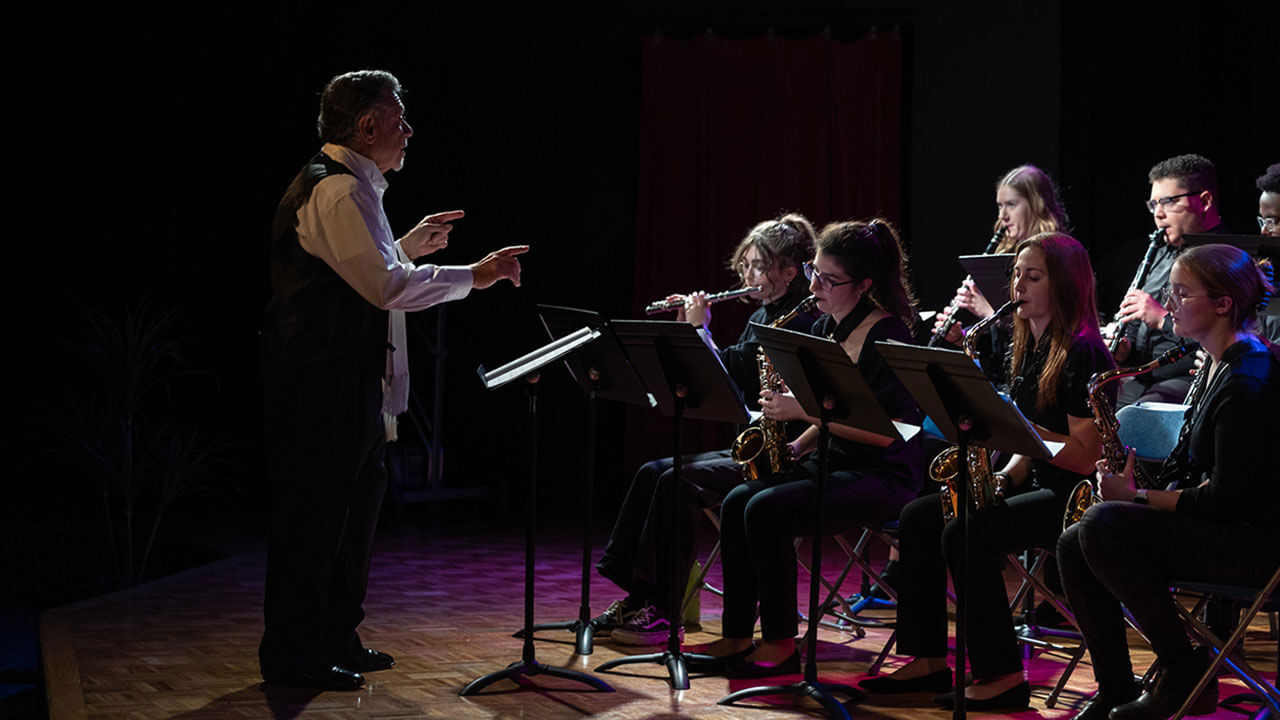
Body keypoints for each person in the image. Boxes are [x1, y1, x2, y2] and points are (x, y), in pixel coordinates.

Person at [259, 70, 527, 691]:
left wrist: (405, 246)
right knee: (315, 520)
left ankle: (335, 637)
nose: (408, 130)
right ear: (366, 126)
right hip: (319, 379)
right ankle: (293, 654)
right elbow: (384, 286)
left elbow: (365, 270)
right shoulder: (336, 190)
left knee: (352, 519)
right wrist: (475, 275)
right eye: (398, 118)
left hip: (349, 379)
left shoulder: (356, 188)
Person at [861, 233, 1113, 710]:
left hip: (1074, 498)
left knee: (967, 533)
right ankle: (927, 658)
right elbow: (1028, 451)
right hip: (1036, 484)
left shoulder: (1083, 354)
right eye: (1016, 274)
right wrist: (1003, 477)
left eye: (1033, 276)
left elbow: (1082, 456)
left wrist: (1013, 426)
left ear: (1064, 285)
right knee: (919, 518)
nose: (1018, 285)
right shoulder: (1028, 346)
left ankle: (1002, 675)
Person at [691, 219, 925, 677]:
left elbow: (885, 434)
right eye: (814, 272)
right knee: (738, 500)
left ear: (863, 286)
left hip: (883, 474)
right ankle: (737, 634)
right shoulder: (823, 325)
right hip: (834, 461)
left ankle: (780, 643)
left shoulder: (887, 335)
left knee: (766, 510)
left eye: (828, 279)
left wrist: (803, 412)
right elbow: (834, 408)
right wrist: (798, 444)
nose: (814, 285)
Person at [1058, 243, 1280, 720]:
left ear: (1223, 304)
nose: (1169, 303)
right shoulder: (1215, 363)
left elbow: (1225, 500)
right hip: (1225, 530)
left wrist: (1136, 497)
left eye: (1181, 293)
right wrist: (1134, 484)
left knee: (1101, 525)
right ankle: (1116, 687)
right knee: (1075, 539)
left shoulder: (1247, 381)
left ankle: (1183, 672)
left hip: (1256, 546)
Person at [595, 214, 818, 645]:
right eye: (745, 265)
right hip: (755, 449)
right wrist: (693, 331)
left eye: (758, 266)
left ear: (790, 272)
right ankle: (640, 597)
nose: (747, 276)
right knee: (652, 471)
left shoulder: (796, 321)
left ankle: (664, 611)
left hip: (787, 456)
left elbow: (731, 378)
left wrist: (700, 331)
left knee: (676, 481)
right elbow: (729, 368)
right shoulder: (765, 313)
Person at [1107, 154, 1229, 406]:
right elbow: (1139, 330)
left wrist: (1162, 319)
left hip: (1188, 378)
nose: (1159, 214)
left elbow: (1219, 338)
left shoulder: (1226, 259)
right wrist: (1125, 349)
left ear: (1204, 201)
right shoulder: (1160, 253)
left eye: (1168, 202)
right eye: (1154, 204)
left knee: (1137, 416)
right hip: (1144, 375)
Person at [933, 164, 1070, 381]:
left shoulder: (1058, 257)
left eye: (1011, 205)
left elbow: (1052, 331)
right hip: (1005, 374)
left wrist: (988, 311)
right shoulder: (1003, 255)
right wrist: (962, 337)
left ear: (1036, 205)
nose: (1003, 216)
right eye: (1000, 206)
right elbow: (999, 344)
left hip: (1043, 373)